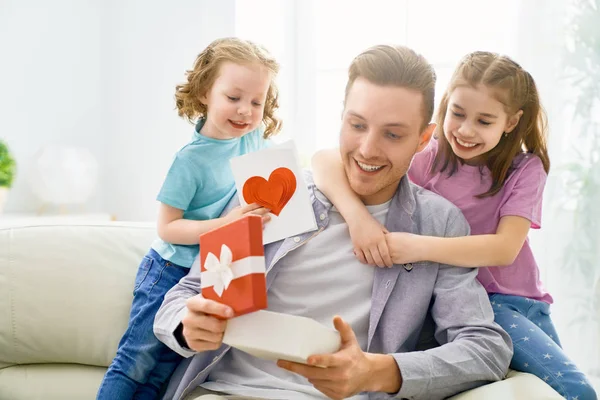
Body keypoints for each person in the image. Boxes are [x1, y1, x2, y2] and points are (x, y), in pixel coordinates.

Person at [153, 44, 513, 400]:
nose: (368, 149)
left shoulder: (437, 223)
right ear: (342, 117)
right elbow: (184, 295)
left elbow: (486, 348)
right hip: (225, 391)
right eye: (357, 125)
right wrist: (189, 324)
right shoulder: (275, 187)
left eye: (392, 134)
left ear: (423, 138)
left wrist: (377, 372)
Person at [312, 51, 597, 399]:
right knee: (571, 387)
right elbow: (322, 160)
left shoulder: (524, 169)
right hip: (470, 302)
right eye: (457, 114)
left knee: (567, 387)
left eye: (484, 121)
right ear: (444, 107)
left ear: (510, 122)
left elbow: (504, 248)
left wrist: (414, 246)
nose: (465, 130)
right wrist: (359, 221)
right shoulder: (425, 156)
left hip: (518, 300)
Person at [96, 37, 282, 400]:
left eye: (257, 102)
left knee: (165, 370)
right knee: (135, 363)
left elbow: (286, 175)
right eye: (233, 98)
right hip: (168, 269)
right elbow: (167, 227)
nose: (245, 110)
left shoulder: (254, 139)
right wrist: (226, 224)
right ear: (204, 94)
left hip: (210, 270)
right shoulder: (190, 161)